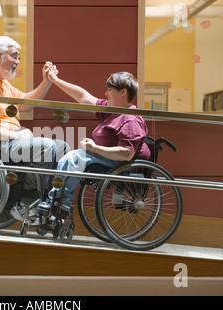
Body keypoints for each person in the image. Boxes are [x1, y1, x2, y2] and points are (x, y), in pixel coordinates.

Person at [0, 36, 69, 219]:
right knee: (48, 147)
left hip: (8, 140)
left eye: (19, 57)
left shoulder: (1, 83)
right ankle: (35, 201)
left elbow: (25, 104)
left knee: (61, 147)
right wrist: (16, 136)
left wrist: (47, 81)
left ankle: (47, 202)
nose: (17, 62)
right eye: (14, 56)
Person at [35, 71, 151, 212]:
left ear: (123, 92)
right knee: (67, 155)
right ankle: (53, 200)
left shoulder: (130, 119)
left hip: (121, 163)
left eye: (110, 89)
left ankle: (60, 204)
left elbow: (127, 153)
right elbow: (83, 97)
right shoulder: (112, 110)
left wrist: (93, 148)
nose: (106, 93)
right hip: (107, 158)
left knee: (75, 158)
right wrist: (55, 80)